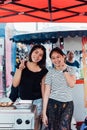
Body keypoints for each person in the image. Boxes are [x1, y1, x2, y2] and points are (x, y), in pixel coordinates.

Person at [3, 44, 48, 130]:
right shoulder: (22, 64)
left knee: (36, 127)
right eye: (36, 52)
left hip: (38, 102)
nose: (37, 56)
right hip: (23, 103)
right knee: (22, 126)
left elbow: (43, 90)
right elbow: (15, 84)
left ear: (43, 57)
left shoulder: (44, 71)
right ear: (32, 52)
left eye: (40, 55)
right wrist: (20, 69)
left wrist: (44, 109)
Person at [42, 47, 76, 130]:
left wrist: (64, 70)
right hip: (52, 103)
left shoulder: (71, 69)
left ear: (63, 56)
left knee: (64, 127)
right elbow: (47, 92)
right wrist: (44, 113)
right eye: (53, 58)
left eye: (58, 57)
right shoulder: (50, 72)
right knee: (53, 128)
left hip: (67, 104)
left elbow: (71, 84)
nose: (56, 60)